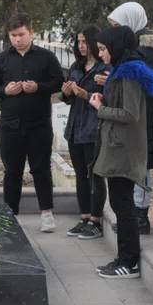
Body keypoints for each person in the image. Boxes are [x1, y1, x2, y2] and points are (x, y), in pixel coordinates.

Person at [89, 26, 153, 279]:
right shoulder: (121, 70)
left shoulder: (129, 74)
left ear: (116, 47)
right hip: (118, 146)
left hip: (124, 149)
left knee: (123, 206)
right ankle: (123, 258)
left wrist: (100, 109)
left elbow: (131, 114)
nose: (100, 54)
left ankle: (129, 262)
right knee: (119, 204)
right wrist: (105, 102)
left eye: (103, 49)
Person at [0, 13, 66, 226]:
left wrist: (38, 87)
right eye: (13, 35)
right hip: (10, 125)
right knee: (12, 171)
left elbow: (59, 82)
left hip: (39, 124)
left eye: (21, 34)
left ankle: (46, 213)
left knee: (41, 169)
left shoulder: (46, 57)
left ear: (31, 33)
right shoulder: (1, 59)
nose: (17, 39)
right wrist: (5, 90)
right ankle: (10, 214)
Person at [104, 2, 153, 234]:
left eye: (117, 24)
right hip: (140, 117)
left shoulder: (147, 50)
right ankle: (136, 214)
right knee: (136, 166)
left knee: (139, 167)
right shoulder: (137, 47)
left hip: (145, 119)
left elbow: (146, 86)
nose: (114, 29)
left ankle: (140, 216)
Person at [61, 26, 109, 239]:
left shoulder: (104, 68)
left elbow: (107, 98)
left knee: (95, 177)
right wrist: (67, 93)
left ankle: (95, 221)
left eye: (84, 41)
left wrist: (85, 94)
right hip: (75, 128)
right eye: (78, 42)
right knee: (80, 176)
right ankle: (84, 217)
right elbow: (69, 99)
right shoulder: (76, 66)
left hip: (93, 129)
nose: (81, 46)